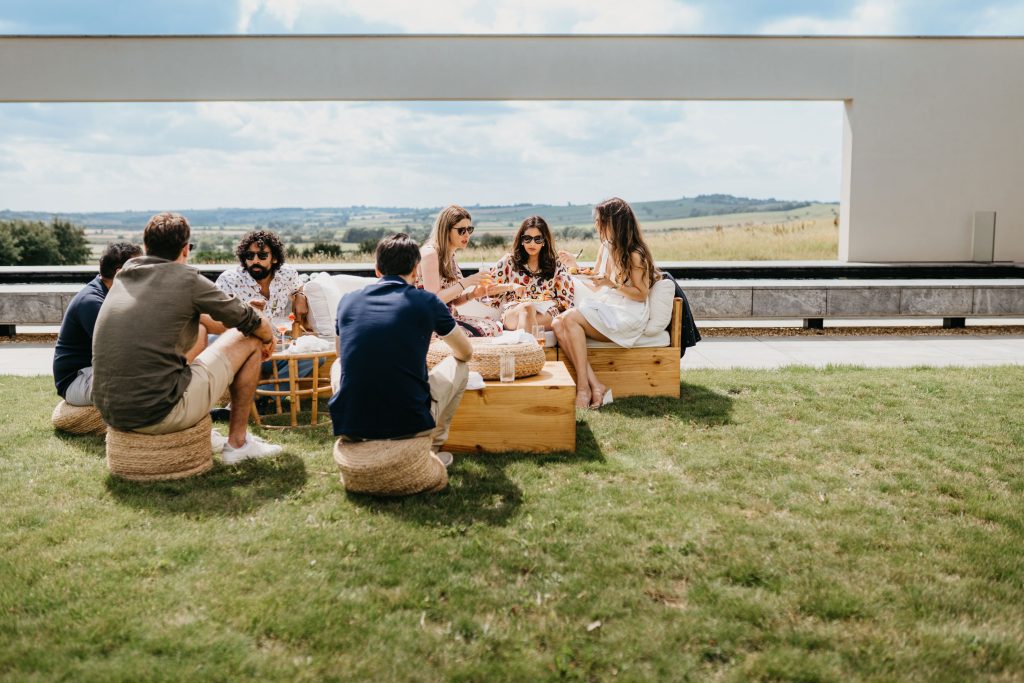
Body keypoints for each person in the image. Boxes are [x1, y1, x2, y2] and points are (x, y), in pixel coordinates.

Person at [92, 212, 283, 463]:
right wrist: (268, 337)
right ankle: (238, 444)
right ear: (185, 249)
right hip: (159, 411)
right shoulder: (186, 279)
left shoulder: (125, 276)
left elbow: (209, 321)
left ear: (146, 247)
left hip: (109, 410)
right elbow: (250, 322)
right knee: (251, 337)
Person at [330, 233, 472, 475]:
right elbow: (465, 352)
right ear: (416, 270)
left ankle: (363, 423)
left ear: (377, 270)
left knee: (338, 363)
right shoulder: (427, 302)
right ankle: (431, 449)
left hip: (353, 423)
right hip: (409, 420)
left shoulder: (347, 301)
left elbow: (341, 352)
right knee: (461, 366)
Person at [554, 197, 660, 409]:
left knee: (570, 318)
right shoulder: (606, 247)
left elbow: (640, 294)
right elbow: (597, 284)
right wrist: (575, 267)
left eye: (599, 221)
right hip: (608, 303)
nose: (595, 226)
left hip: (627, 312)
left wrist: (611, 284)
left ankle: (583, 389)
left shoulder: (634, 254)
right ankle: (595, 386)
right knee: (558, 323)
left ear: (613, 223)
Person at [205, 229, 315, 405]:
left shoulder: (287, 274)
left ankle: (262, 396)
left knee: (315, 355)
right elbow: (212, 316)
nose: (255, 260)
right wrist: (244, 314)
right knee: (214, 340)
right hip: (243, 348)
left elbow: (298, 286)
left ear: (275, 258)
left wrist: (300, 295)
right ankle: (263, 396)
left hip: (274, 346)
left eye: (262, 256)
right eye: (250, 255)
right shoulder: (229, 280)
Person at [52, 242, 142, 406]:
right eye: (139, 268)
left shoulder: (112, 294)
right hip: (77, 380)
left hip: (95, 371)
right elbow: (119, 351)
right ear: (120, 273)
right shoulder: (92, 302)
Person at [417, 204, 501, 337]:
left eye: (469, 229)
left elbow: (452, 301)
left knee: (493, 326)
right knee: (484, 331)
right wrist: (467, 282)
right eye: (462, 230)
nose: (467, 235)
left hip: (447, 318)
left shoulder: (450, 255)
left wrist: (472, 294)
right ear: (446, 230)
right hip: (429, 322)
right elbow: (434, 300)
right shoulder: (430, 254)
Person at [486, 215, 574, 333]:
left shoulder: (556, 264)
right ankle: (533, 349)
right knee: (527, 308)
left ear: (544, 241)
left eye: (538, 239)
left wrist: (548, 302)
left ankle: (525, 349)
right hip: (515, 311)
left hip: (546, 313)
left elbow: (566, 301)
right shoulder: (509, 261)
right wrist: (511, 286)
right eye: (527, 238)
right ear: (521, 240)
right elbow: (487, 289)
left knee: (530, 312)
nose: (532, 243)